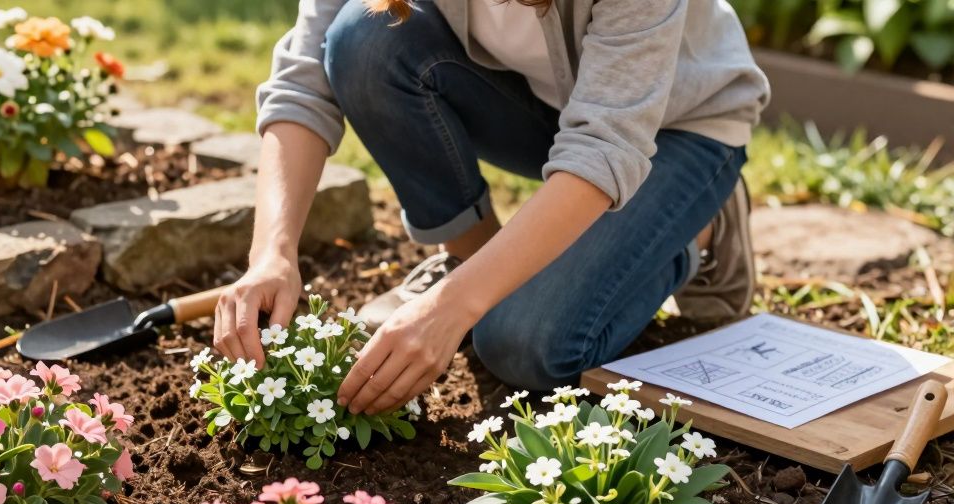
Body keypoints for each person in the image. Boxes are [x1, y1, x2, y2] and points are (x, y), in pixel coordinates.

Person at [212, 0, 770, 416]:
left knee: (522, 345)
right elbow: (305, 77)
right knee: (363, 40)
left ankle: (698, 226)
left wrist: (449, 308)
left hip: (676, 129)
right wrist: (271, 255)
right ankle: (473, 263)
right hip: (545, 109)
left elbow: (605, 147)